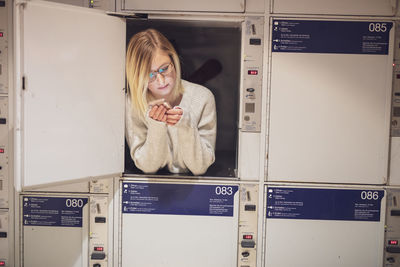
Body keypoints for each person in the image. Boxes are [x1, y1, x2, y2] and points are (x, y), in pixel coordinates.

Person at [125, 29, 217, 175]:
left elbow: (200, 167)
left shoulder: (203, 98)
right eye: (150, 74)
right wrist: (156, 125)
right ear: (137, 75)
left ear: (173, 60)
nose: (161, 81)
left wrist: (186, 124)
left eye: (164, 68)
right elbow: (148, 167)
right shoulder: (132, 102)